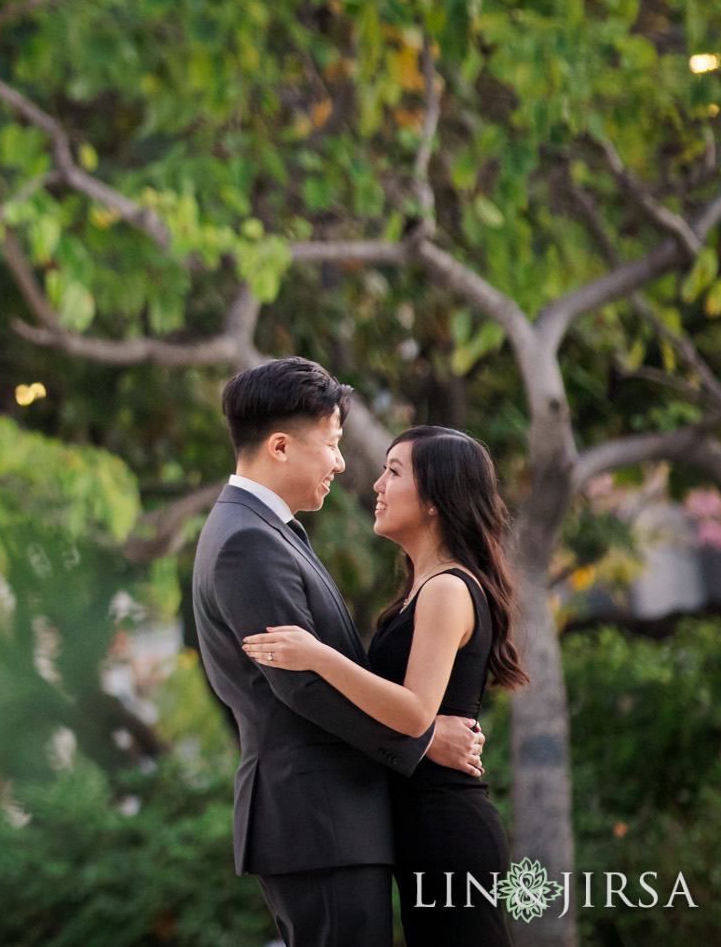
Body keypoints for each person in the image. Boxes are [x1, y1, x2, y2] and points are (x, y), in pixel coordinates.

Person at [193, 358, 487, 947]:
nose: (342, 462)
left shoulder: (265, 530)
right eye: (332, 444)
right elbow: (298, 685)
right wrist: (426, 739)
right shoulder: (248, 540)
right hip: (318, 820)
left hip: (327, 820)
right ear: (279, 446)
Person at [246, 426, 526, 946]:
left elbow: (416, 711)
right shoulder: (419, 589)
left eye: (393, 472)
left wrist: (317, 655)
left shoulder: (447, 588)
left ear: (437, 500)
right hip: (420, 825)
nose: (376, 485)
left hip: (445, 825)